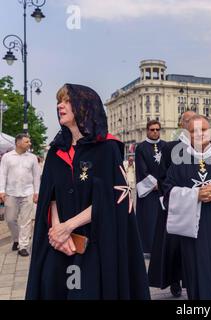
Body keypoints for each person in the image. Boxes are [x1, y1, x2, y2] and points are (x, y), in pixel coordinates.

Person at [26, 83, 149, 299]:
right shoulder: (56, 151)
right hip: (59, 244)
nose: (60, 106)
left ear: (84, 106)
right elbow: (50, 196)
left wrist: (69, 226)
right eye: (59, 101)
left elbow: (113, 198)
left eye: (67, 101)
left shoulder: (107, 148)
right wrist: (57, 232)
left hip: (95, 243)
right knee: (53, 288)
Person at [163, 115, 211, 299]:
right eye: (194, 131)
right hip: (194, 232)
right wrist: (195, 195)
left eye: (203, 129)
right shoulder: (178, 162)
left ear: (210, 131)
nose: (199, 134)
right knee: (197, 273)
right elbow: (168, 194)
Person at [147, 111, 196, 297]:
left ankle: (192, 280)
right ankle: (174, 280)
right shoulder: (170, 148)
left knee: (193, 246)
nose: (192, 123)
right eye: (188, 120)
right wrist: (166, 198)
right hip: (174, 203)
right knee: (174, 246)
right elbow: (162, 175)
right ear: (182, 124)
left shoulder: (202, 148)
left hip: (195, 202)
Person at [0, 134, 40, 256]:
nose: (29, 144)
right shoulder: (7, 157)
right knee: (10, 219)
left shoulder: (32, 158)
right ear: (18, 143)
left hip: (28, 192)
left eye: (29, 141)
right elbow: (2, 174)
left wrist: (36, 192)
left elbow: (36, 176)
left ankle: (23, 246)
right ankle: (16, 239)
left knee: (26, 221)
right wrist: (1, 190)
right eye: (27, 142)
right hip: (10, 192)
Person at [135, 120, 166, 256]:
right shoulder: (140, 148)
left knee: (163, 219)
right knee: (149, 220)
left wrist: (164, 183)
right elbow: (142, 170)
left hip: (164, 190)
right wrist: (156, 184)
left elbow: (169, 167)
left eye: (157, 129)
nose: (155, 132)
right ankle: (148, 249)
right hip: (149, 192)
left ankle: (163, 248)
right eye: (152, 129)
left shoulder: (166, 146)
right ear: (147, 130)